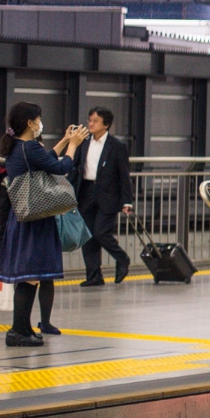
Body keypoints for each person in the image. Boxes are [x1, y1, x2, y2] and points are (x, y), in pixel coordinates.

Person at [0, 102, 87, 346]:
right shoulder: (29, 147)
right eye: (38, 119)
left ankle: (24, 329)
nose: (40, 123)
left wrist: (62, 142)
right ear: (30, 123)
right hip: (35, 221)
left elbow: (44, 159)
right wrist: (73, 146)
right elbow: (60, 167)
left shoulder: (19, 147)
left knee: (29, 276)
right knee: (30, 277)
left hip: (25, 219)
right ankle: (17, 331)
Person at [72, 106, 133, 285]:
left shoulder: (117, 146)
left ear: (106, 125)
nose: (90, 124)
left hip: (108, 195)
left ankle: (122, 258)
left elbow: (124, 175)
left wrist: (127, 201)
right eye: (90, 120)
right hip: (86, 192)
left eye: (95, 121)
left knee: (101, 232)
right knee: (88, 236)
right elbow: (75, 168)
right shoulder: (83, 143)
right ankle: (94, 275)